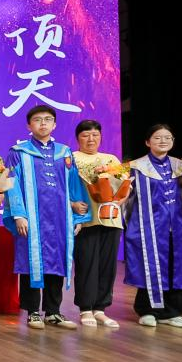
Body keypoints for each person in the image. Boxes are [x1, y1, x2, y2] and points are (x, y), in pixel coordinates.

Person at [2, 105, 91, 331]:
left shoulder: (64, 152)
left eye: (48, 119)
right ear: (29, 125)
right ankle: (32, 311)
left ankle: (53, 312)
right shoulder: (19, 152)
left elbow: (74, 186)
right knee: (31, 262)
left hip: (59, 218)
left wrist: (77, 217)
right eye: (38, 120)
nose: (43, 123)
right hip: (32, 217)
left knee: (56, 262)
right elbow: (11, 184)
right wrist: (19, 214)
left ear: (55, 124)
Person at [124, 124, 182, 328]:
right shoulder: (135, 167)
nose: (163, 141)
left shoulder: (181, 166)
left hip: (176, 226)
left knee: (175, 265)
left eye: (167, 137)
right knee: (150, 265)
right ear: (147, 142)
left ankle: (173, 312)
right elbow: (125, 197)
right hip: (147, 227)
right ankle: (147, 310)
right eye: (157, 137)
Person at [71, 119, 125, 327]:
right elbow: (62, 188)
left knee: (107, 266)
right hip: (85, 220)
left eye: (95, 135)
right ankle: (85, 309)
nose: (91, 139)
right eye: (85, 135)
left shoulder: (111, 159)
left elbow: (123, 187)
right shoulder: (72, 159)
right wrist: (72, 204)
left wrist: (119, 200)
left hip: (111, 219)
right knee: (86, 264)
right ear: (78, 138)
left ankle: (100, 309)